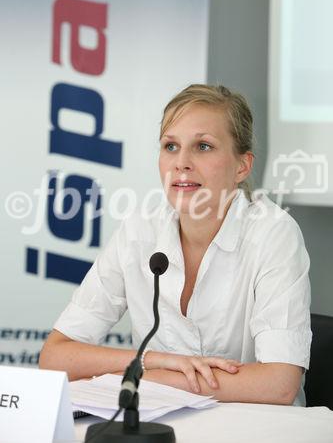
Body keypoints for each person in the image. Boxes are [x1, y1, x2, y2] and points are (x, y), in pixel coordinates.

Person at [39, 84, 312, 406]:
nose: (181, 162)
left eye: (203, 146)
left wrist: (142, 380)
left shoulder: (274, 233)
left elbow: (279, 384)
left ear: (242, 166)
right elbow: (55, 356)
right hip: (163, 423)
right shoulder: (139, 229)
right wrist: (152, 360)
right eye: (170, 146)